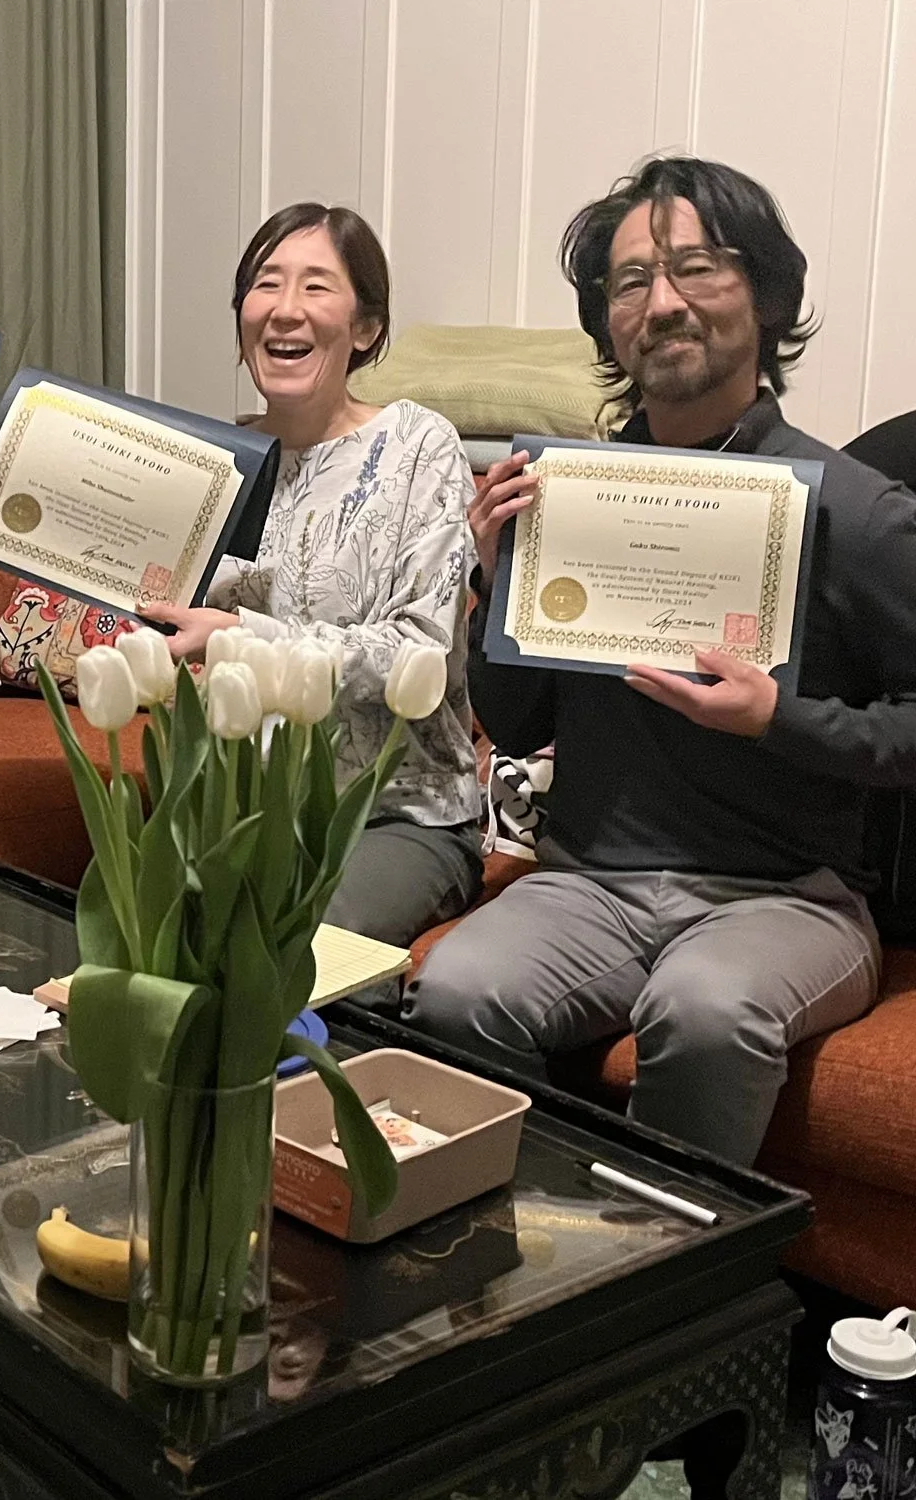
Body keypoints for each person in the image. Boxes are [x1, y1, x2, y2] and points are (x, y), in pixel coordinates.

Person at [403, 157, 916, 1165]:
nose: (663, 302)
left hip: (787, 897)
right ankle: (504, 1237)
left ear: (766, 295)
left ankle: (672, 1261)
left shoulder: (856, 513)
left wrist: (779, 719)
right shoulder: (565, 496)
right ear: (607, 323)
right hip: (586, 884)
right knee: (455, 989)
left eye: (697, 267)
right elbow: (519, 725)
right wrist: (494, 581)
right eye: (631, 280)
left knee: (706, 1009)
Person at [139, 202, 482, 946]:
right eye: (265, 284)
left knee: (300, 942)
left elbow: (419, 652)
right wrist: (7, 490)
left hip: (397, 816)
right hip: (238, 808)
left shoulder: (419, 446)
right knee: (137, 936)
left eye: (316, 286)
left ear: (366, 328)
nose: (285, 309)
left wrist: (241, 637)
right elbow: (140, 599)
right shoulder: (214, 462)